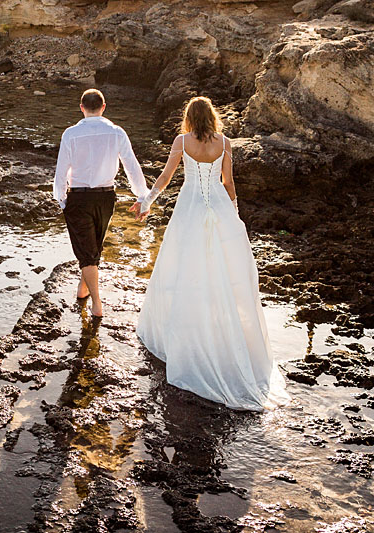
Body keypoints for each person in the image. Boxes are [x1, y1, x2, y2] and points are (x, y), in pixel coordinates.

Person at [133, 96, 288, 411]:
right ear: (213, 117)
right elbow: (228, 182)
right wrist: (234, 213)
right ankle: (216, 327)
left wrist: (147, 201)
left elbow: (165, 177)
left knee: (184, 266)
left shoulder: (182, 141)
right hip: (217, 205)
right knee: (220, 268)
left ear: (189, 118)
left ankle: (188, 329)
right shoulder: (225, 142)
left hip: (190, 206)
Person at [53, 89, 149, 319]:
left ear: (82, 107)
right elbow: (131, 166)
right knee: (92, 248)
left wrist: (61, 199)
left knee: (88, 252)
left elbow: (61, 170)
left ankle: (97, 304)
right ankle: (83, 288)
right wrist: (142, 197)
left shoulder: (70, 134)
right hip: (106, 198)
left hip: (79, 197)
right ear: (104, 107)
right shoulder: (116, 132)